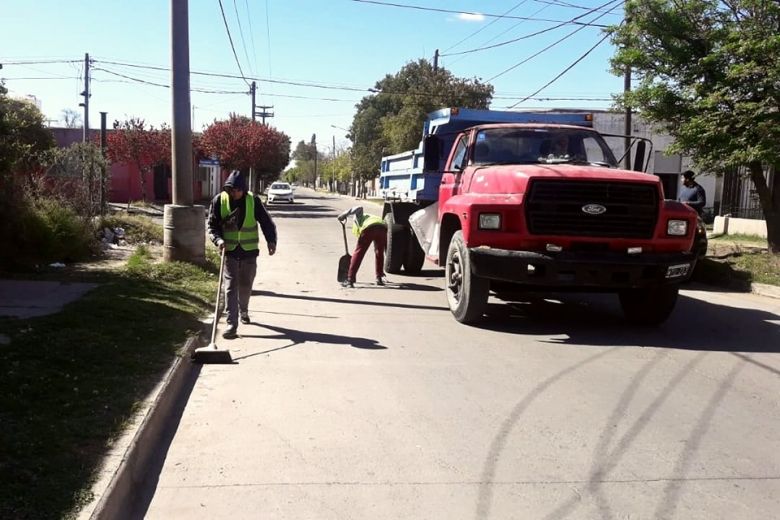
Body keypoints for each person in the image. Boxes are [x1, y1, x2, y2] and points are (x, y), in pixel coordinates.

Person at [208, 171, 277, 338]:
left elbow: (266, 222)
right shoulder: (220, 200)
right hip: (229, 251)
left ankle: (243, 310)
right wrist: (218, 240)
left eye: (238, 190)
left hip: (249, 252)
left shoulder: (253, 201)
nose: (235, 193)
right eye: (232, 189)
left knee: (246, 286)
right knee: (230, 287)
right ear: (227, 188)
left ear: (244, 190)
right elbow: (212, 225)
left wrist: (271, 240)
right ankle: (232, 325)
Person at [337, 206, 388, 288]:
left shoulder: (359, 217)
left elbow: (359, 208)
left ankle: (350, 280)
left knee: (359, 253)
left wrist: (344, 214)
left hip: (369, 228)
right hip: (382, 228)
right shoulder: (371, 217)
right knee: (379, 252)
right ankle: (379, 278)